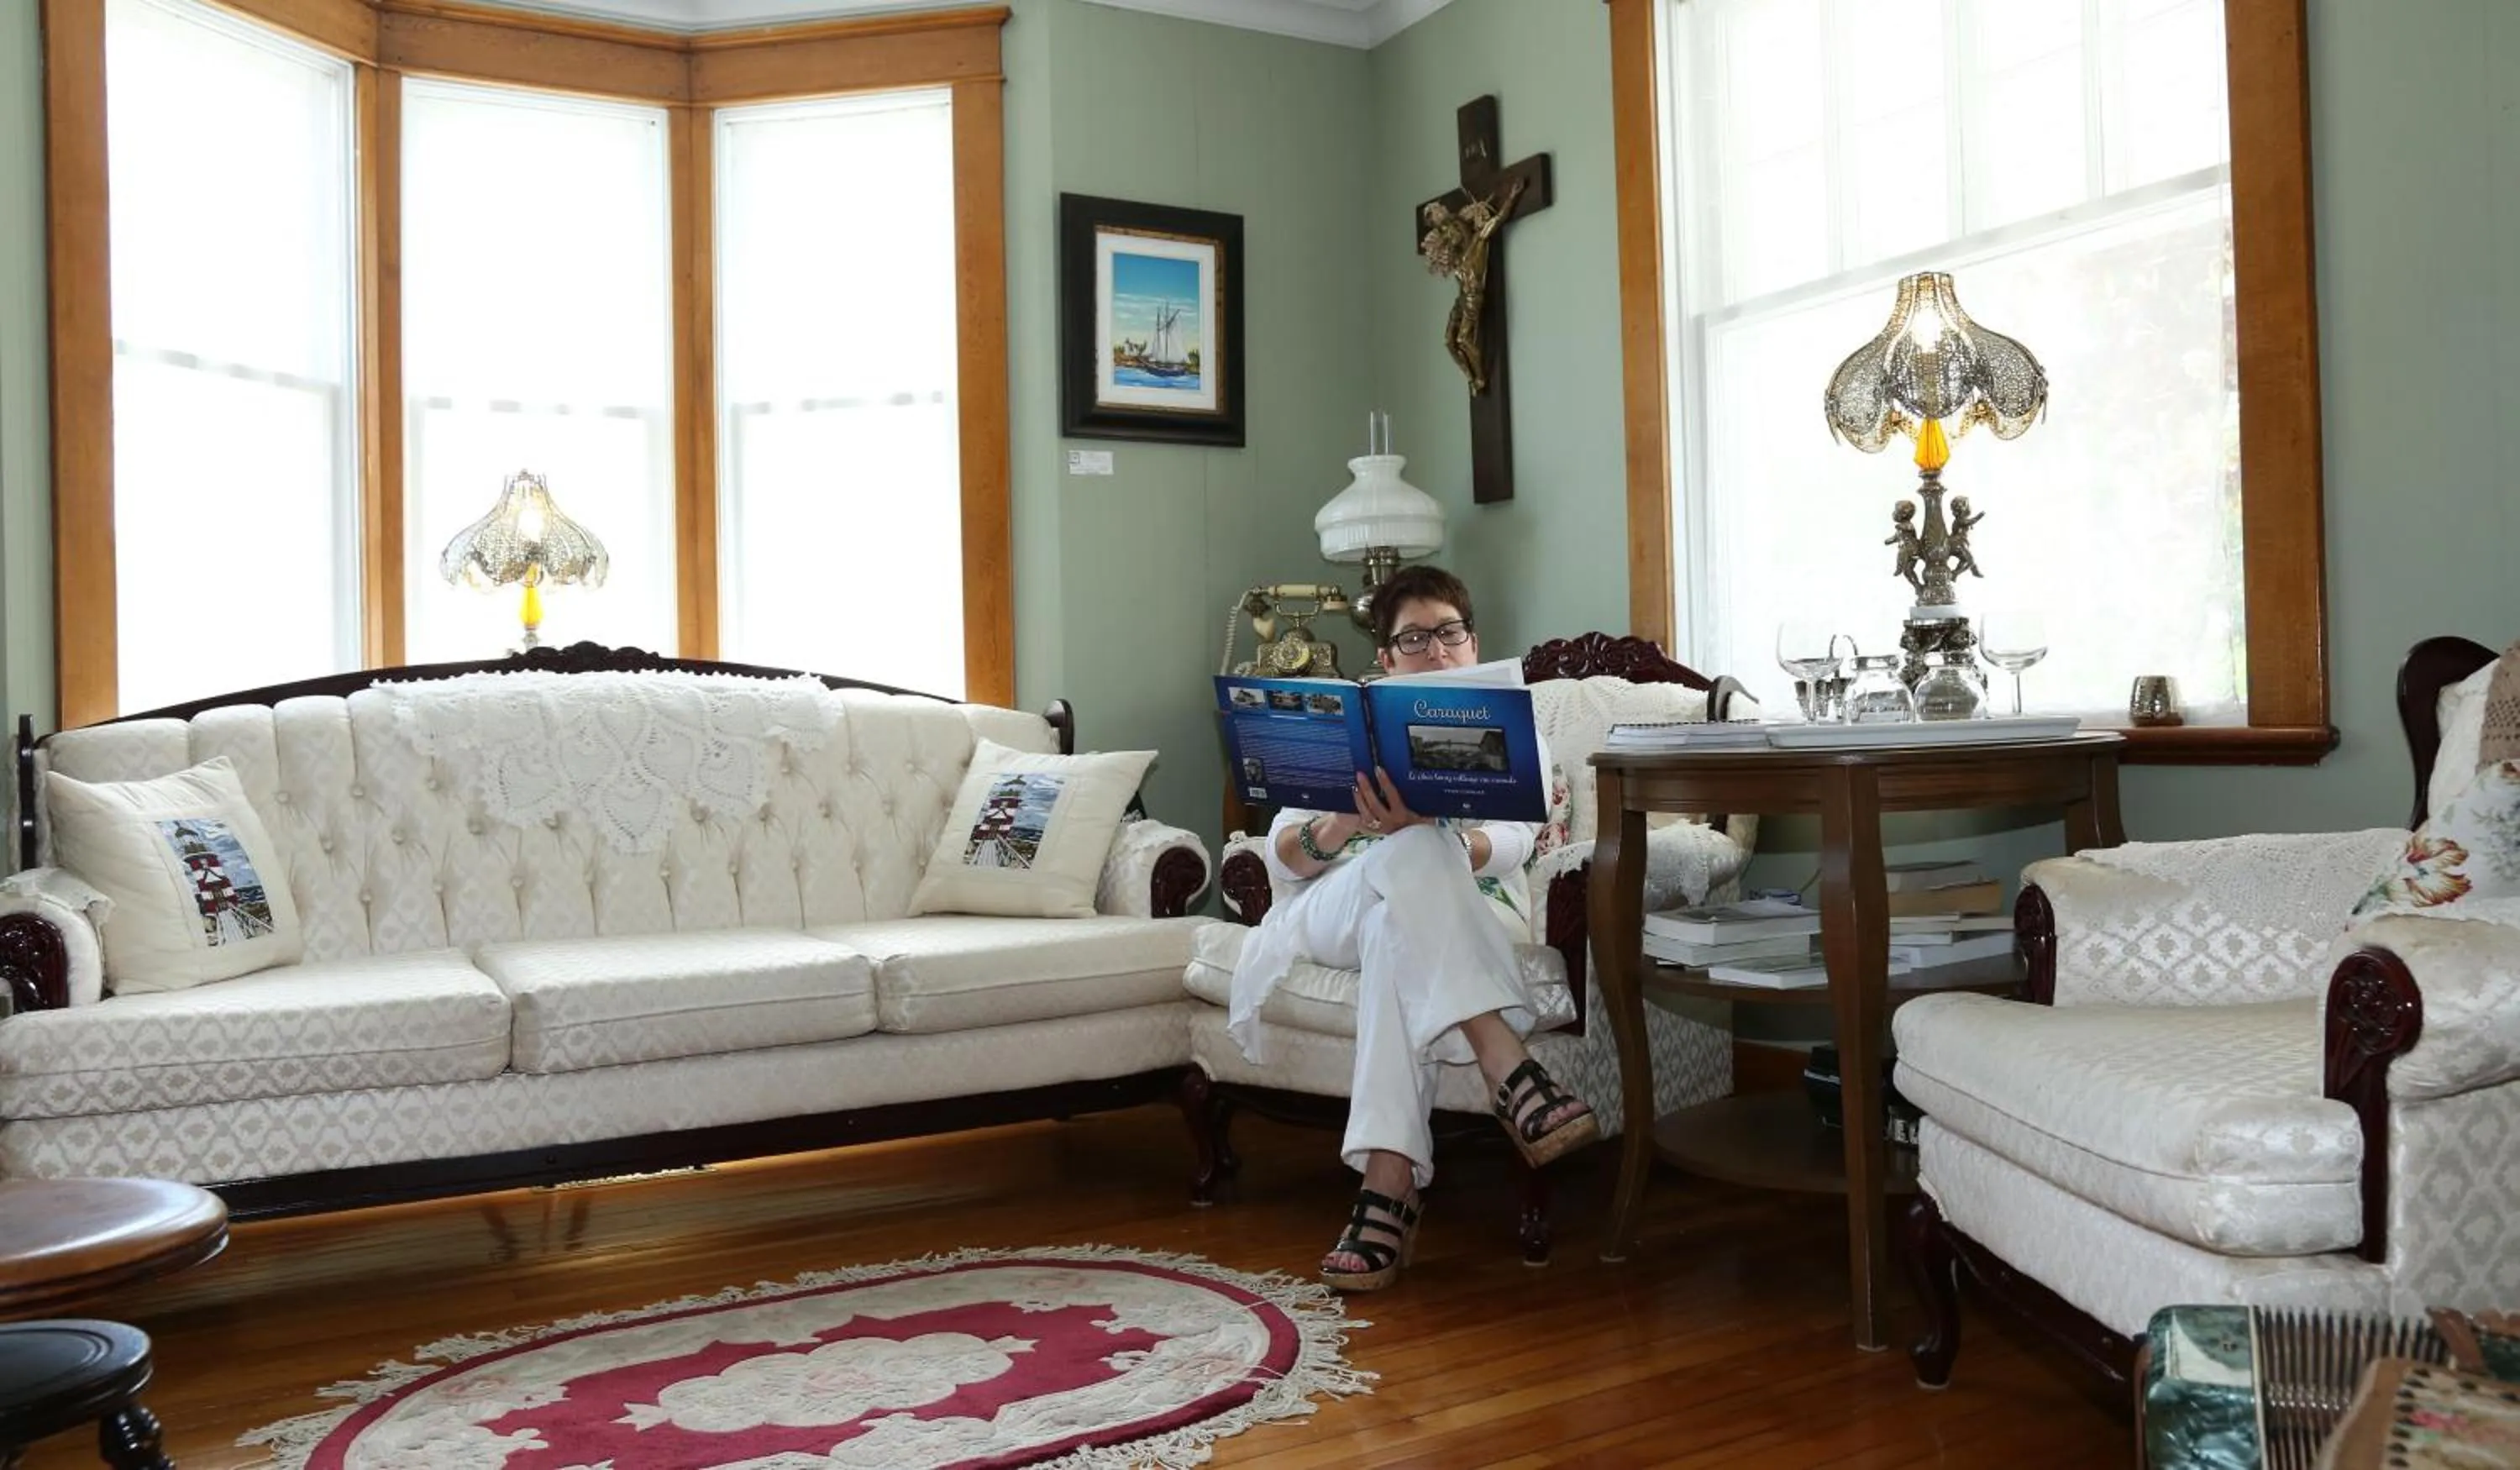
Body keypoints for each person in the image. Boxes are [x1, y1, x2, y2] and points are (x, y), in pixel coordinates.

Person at [1227, 564, 1599, 1291]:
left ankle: (1387, 1187)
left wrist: (1438, 839)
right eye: (1415, 639)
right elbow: (1283, 854)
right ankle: (1506, 1062)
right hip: (1329, 905)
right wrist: (1343, 822)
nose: (1437, 650)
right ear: (1388, 658)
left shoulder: (1512, 726)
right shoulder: (1344, 728)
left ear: (1474, 642)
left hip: (1457, 906)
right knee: (1402, 861)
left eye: (1450, 633)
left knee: (1399, 918)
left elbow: (1517, 839)